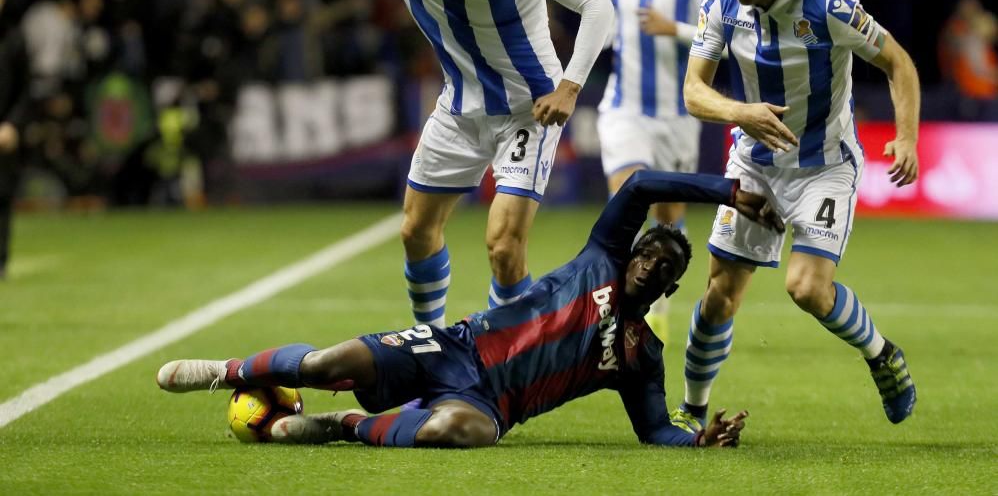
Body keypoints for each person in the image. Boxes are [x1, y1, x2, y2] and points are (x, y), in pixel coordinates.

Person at [156, 170, 784, 448]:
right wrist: (729, 193)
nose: (653, 267)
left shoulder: (641, 355)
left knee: (460, 433)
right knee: (329, 361)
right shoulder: (600, 256)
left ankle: (344, 426)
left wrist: (698, 441)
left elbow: (653, 431)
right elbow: (643, 183)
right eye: (649, 255)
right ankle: (229, 372)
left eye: (668, 270)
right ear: (632, 253)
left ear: (672, 288)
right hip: (455, 346)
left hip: (490, 404)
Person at [240, 0, 614, 324]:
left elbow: (598, 5)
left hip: (528, 111)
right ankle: (430, 348)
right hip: (458, 109)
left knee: (502, 245)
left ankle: (505, 371)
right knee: (416, 230)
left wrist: (570, 86)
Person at [671, 0, 920, 431]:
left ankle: (882, 355)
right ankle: (690, 412)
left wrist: (905, 137)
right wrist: (742, 114)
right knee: (719, 297)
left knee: (806, 288)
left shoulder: (830, 7)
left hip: (824, 165)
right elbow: (693, 92)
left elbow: (897, 61)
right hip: (755, 164)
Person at [596, 0, 718, 338]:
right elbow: (604, 35)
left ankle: (656, 306)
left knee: (669, 218)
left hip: (678, 113)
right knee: (626, 201)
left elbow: (720, 38)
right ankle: (612, 309)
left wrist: (675, 29)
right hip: (624, 107)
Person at [0, 0, 32, 280]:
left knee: (2, 194)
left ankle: (0, 261)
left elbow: (25, 88)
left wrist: (12, 124)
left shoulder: (14, 37)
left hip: (4, 132)